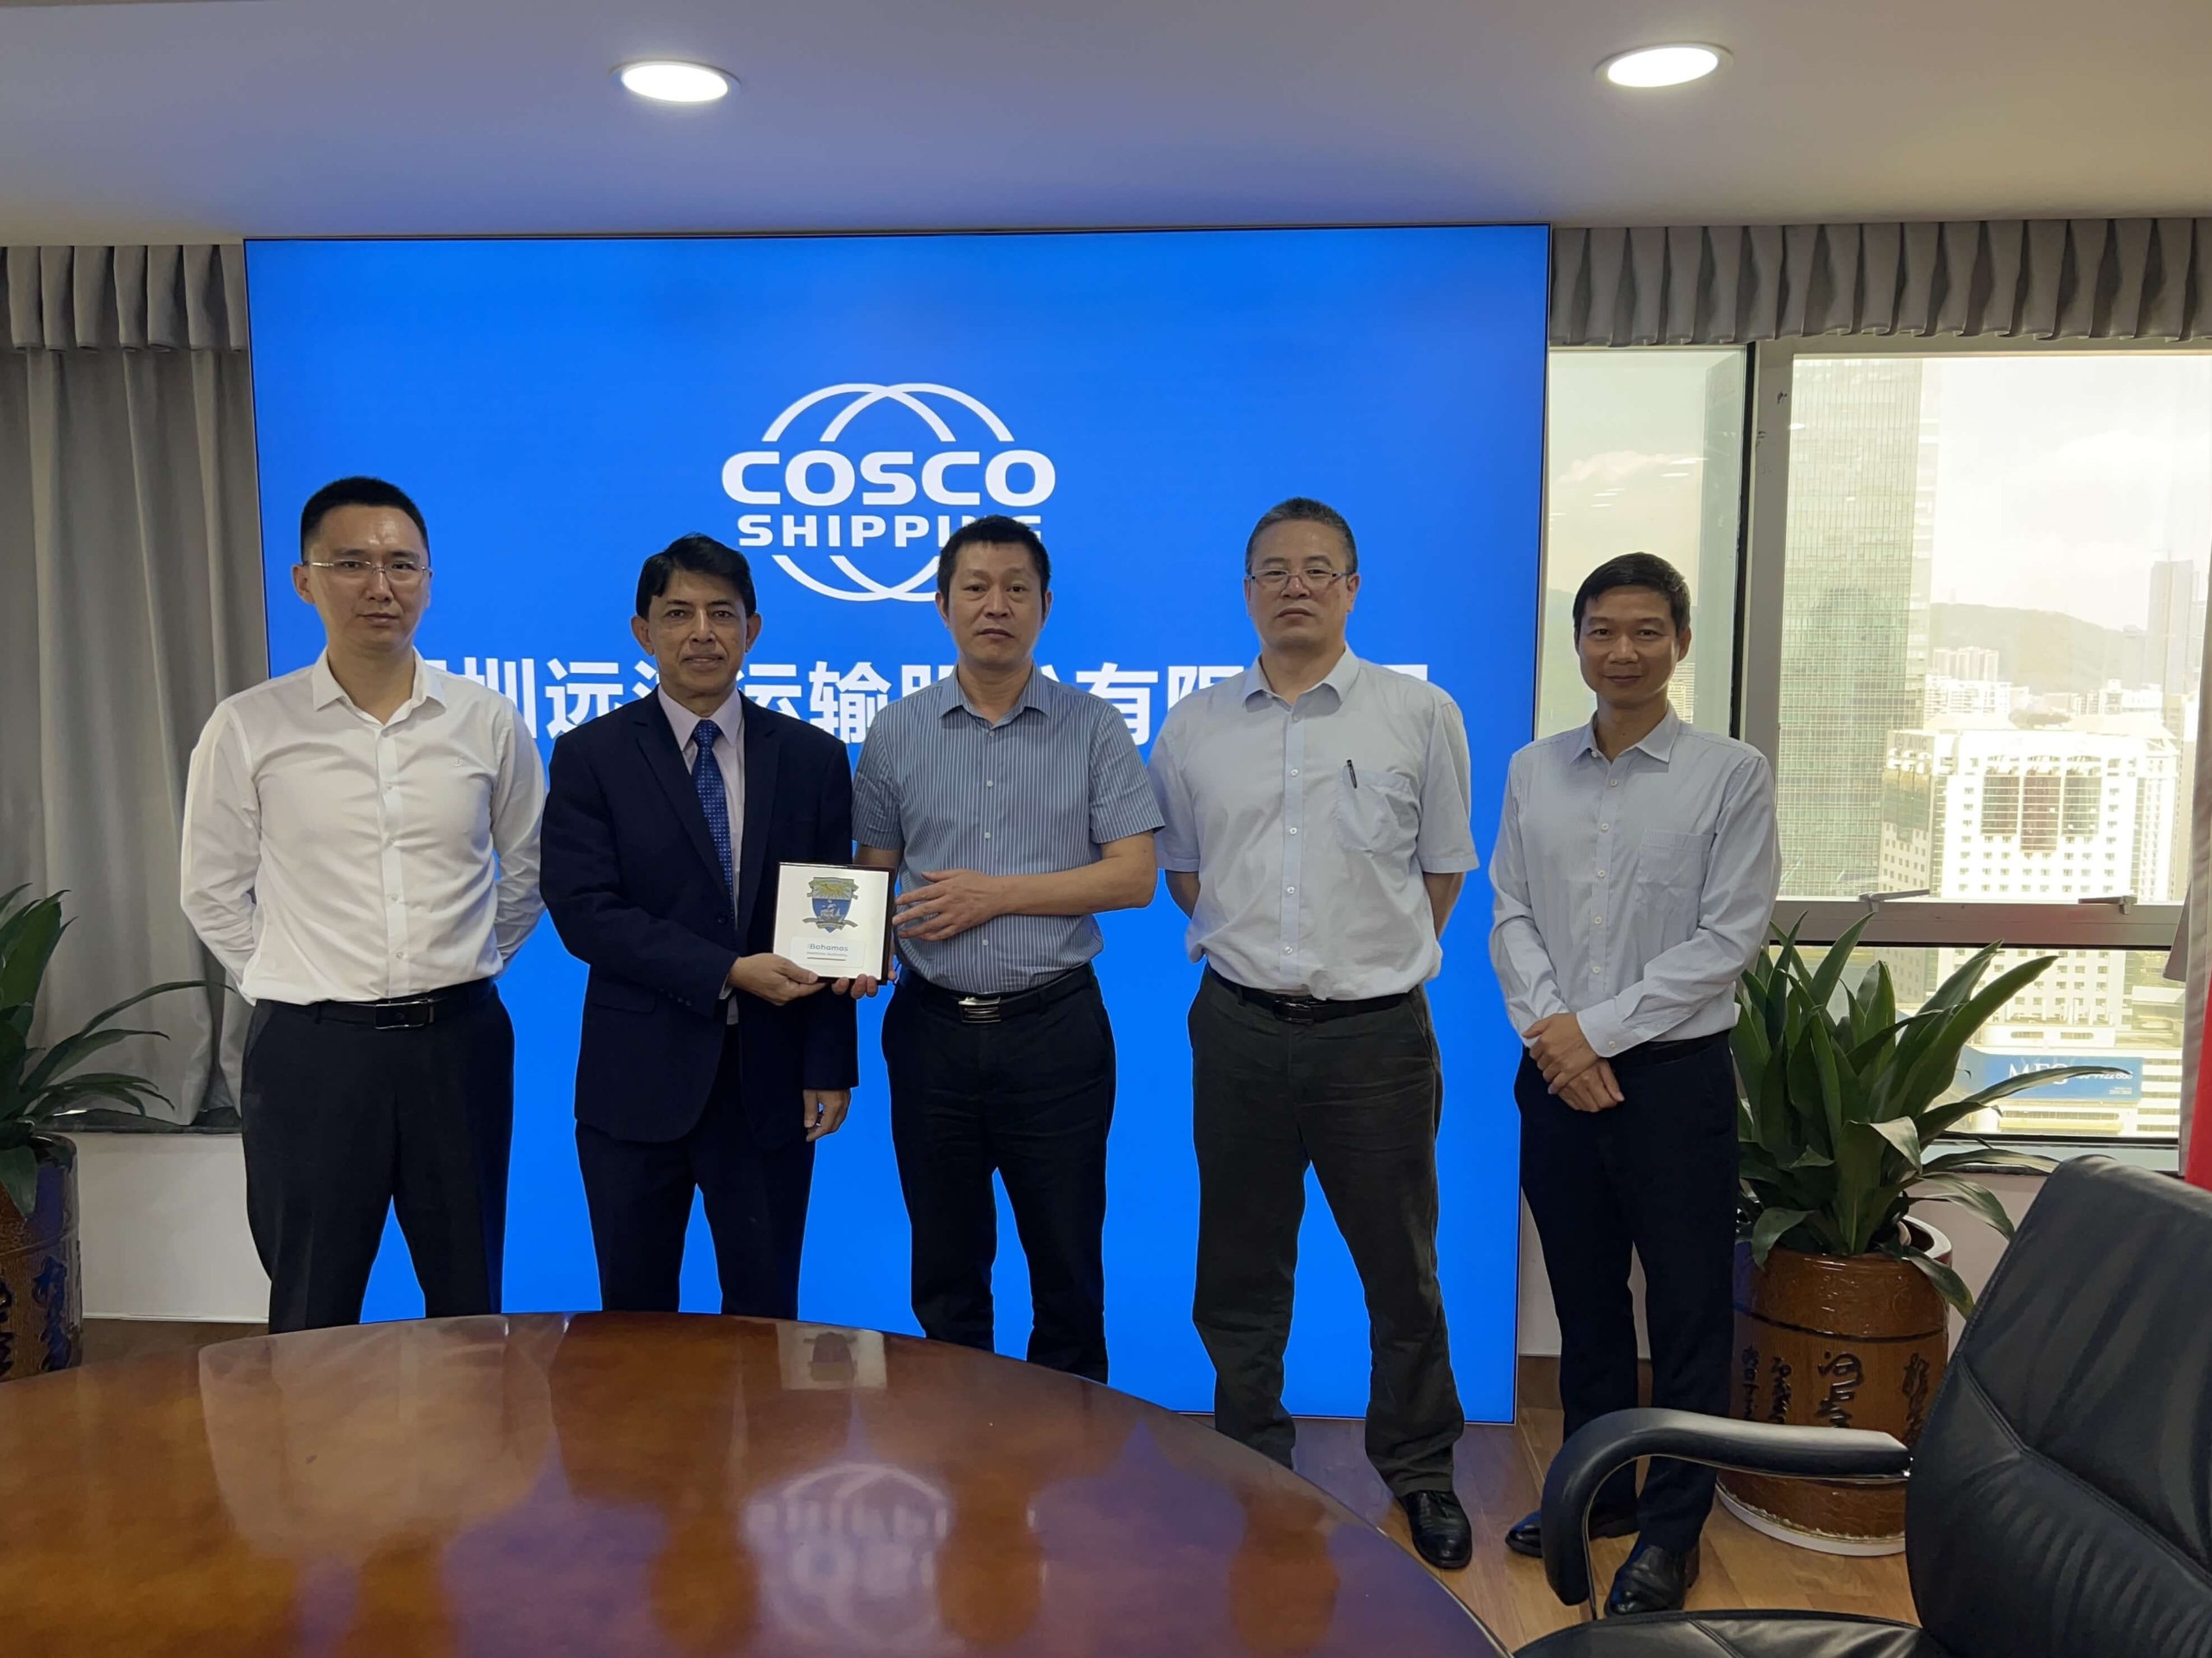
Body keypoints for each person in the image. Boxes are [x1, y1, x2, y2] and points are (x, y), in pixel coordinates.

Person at [1148, 496, 1481, 1572]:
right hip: (1239, 1028)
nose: (1295, 585)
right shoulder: (1194, 725)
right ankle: (1253, 1457)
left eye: (1318, 568)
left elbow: (1440, 872)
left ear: (1351, 587)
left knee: (1402, 1266)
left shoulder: (1418, 714)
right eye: (1274, 569)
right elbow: (1187, 874)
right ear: (1247, 589)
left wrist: (1361, 963)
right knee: (1239, 1264)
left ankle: (1419, 1467)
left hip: (1375, 1039)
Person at [181, 475, 543, 1332]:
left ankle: (467, 1427)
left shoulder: (486, 719)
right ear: (305, 580)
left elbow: (528, 867)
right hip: (312, 1055)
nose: (380, 586)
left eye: (401, 564)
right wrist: (289, 972)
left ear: (428, 579)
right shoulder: (249, 725)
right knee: (311, 1298)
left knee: (468, 1298)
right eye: (351, 564)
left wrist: (467, 959)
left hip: (458, 1046)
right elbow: (210, 887)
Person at [1489, 551, 1778, 1615]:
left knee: (1689, 1307)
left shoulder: (1730, 773)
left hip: (1674, 1080)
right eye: (1602, 630)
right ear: (1577, 642)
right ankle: (1600, 1490)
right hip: (1555, 1076)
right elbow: (1510, 913)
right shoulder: (1533, 770)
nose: (1623, 650)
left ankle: (1671, 1528)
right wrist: (1555, 1039)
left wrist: (1592, 1033)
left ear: (1680, 643)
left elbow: (1727, 937)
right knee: (1586, 1301)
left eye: (1646, 631)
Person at [852, 515, 1161, 1384]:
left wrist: (996, 894)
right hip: (931, 1030)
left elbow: (1134, 875)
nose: (997, 605)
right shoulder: (895, 731)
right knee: (945, 1264)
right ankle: (959, 1440)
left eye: (1016, 588)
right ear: (942, 604)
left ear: (1045, 605)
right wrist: (852, 949)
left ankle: (1070, 1441)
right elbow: (872, 875)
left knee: (1067, 1261)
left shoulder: (1094, 726)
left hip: (1053, 1030)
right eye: (977, 588)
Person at [540, 535, 858, 1318]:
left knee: (766, 1314)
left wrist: (829, 1061)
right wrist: (725, 969)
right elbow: (584, 910)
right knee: (635, 1320)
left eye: (722, 612)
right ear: (643, 631)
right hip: (634, 1083)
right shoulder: (591, 754)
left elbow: (833, 918)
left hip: (769, 1082)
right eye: (678, 613)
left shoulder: (814, 758)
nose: (702, 632)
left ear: (753, 629)